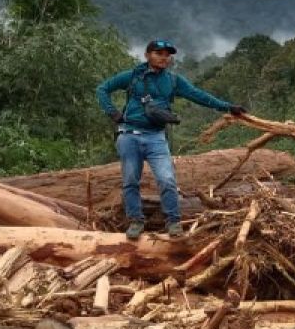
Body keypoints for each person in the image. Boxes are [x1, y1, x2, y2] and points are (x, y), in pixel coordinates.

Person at [96, 38, 246, 239]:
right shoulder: (133, 76)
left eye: (167, 55)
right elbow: (102, 89)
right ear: (147, 55)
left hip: (156, 137)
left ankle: (173, 222)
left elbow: (198, 95)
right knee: (130, 180)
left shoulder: (173, 80)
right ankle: (135, 221)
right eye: (159, 53)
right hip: (129, 135)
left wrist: (228, 107)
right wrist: (113, 112)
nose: (164, 58)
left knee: (167, 179)